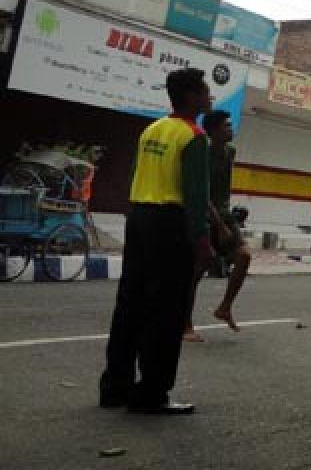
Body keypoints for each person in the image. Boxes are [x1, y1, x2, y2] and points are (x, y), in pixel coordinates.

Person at [99, 68, 213, 415]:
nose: (210, 97)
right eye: (206, 91)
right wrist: (202, 240)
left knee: (129, 305)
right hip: (170, 224)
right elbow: (196, 194)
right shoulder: (194, 136)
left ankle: (114, 387)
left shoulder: (152, 130)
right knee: (166, 311)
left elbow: (138, 175)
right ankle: (151, 393)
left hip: (139, 218)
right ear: (192, 96)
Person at [184, 109, 252, 341]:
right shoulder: (203, 153)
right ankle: (185, 325)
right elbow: (202, 192)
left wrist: (227, 221)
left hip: (225, 215)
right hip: (205, 216)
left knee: (244, 255)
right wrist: (218, 225)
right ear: (213, 131)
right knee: (196, 271)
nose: (230, 129)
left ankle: (224, 308)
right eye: (226, 126)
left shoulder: (230, 152)